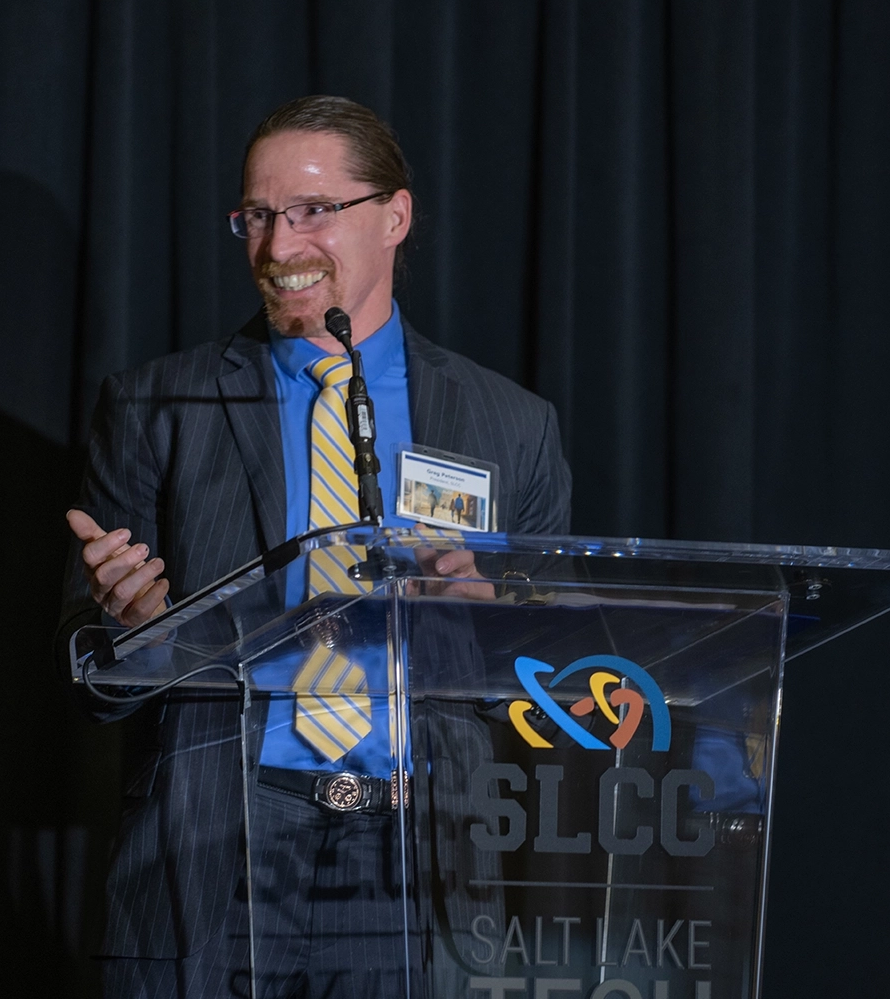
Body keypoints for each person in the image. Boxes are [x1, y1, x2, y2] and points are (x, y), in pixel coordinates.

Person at [61, 95, 571, 997]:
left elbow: (550, 679)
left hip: (420, 861)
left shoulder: (512, 426)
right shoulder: (156, 407)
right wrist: (137, 625)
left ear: (395, 216)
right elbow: (93, 672)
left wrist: (495, 635)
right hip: (215, 846)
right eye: (257, 216)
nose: (278, 246)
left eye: (311, 211)